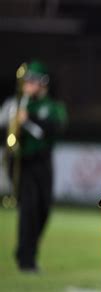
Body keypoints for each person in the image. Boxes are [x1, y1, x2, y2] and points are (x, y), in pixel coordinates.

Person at [0, 60, 67, 272]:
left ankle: (29, 251)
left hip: (42, 160)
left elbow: (53, 130)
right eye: (27, 81)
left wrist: (27, 121)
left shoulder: (52, 106)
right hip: (20, 160)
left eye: (33, 81)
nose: (29, 85)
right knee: (28, 208)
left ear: (42, 83)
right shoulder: (14, 104)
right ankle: (25, 258)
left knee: (43, 208)